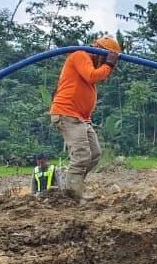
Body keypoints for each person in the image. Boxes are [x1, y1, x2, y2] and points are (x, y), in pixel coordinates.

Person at [50, 36, 121, 199]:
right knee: (81, 156)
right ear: (99, 51)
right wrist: (108, 64)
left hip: (81, 118)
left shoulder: (88, 61)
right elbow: (92, 76)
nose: (107, 63)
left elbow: (95, 76)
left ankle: (73, 188)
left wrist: (108, 64)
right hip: (67, 113)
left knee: (94, 154)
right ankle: (72, 197)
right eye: (107, 57)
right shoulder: (80, 55)